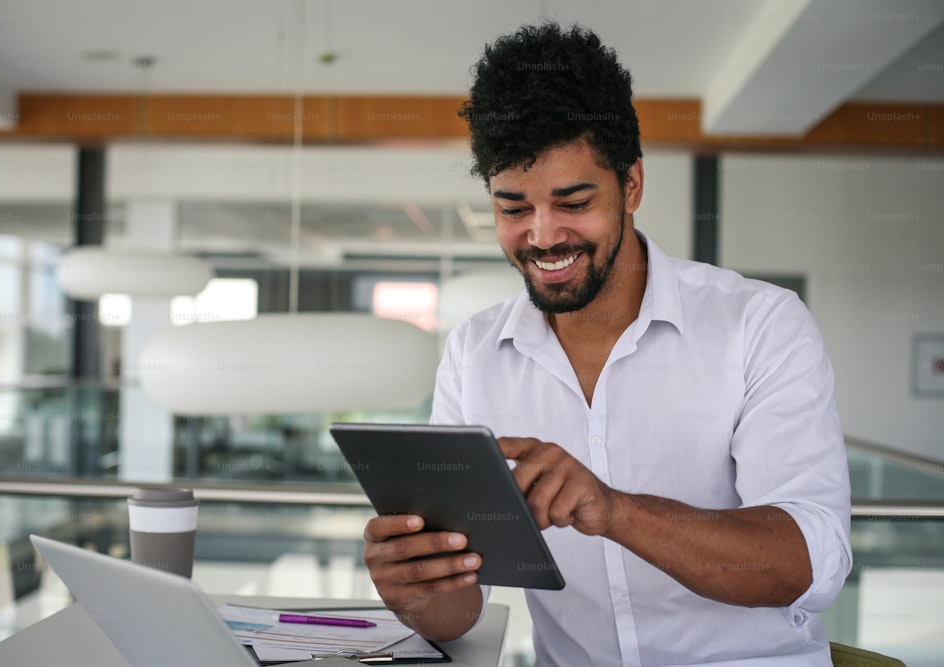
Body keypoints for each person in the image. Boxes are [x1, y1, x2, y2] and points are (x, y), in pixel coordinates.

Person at [363, 23, 852, 666]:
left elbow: (808, 564)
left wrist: (614, 510)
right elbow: (458, 615)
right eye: (513, 209)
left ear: (632, 186)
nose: (542, 236)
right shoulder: (474, 353)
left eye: (573, 201)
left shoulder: (760, 324)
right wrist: (413, 586)